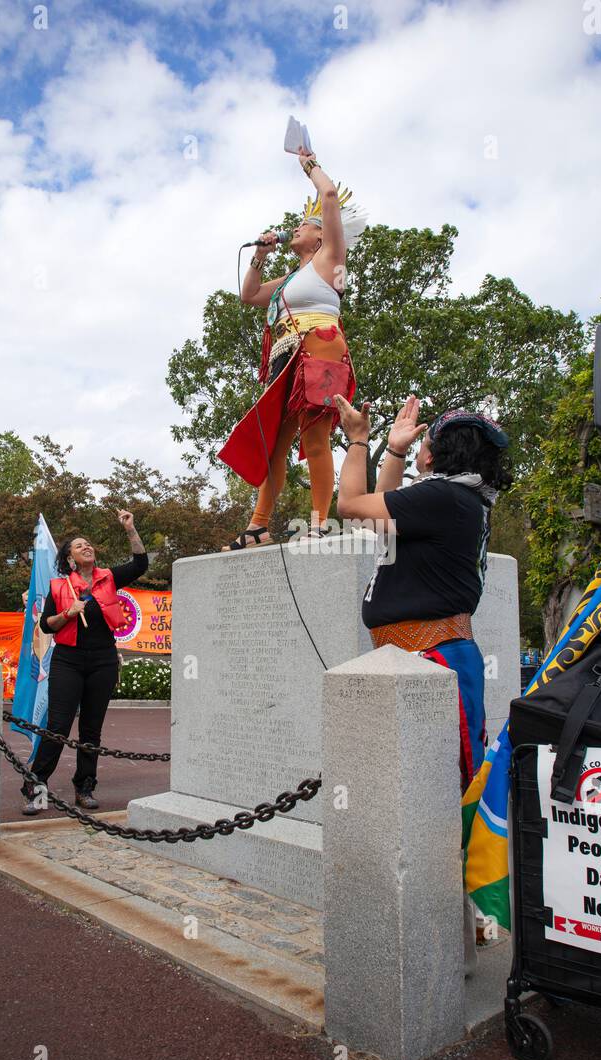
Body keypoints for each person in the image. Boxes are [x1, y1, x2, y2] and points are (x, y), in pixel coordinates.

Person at [335, 393, 511, 975]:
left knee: (435, 803)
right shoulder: (452, 501)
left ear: (444, 451)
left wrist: (359, 439)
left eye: (427, 439)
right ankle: (438, 940)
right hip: (419, 657)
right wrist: (392, 449)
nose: (421, 445)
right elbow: (384, 522)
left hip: (430, 659)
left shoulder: (446, 497)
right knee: (421, 804)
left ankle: (443, 947)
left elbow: (352, 505)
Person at [217, 145, 367, 549]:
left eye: (305, 224)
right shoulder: (290, 279)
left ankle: (321, 520)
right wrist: (260, 257)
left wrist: (309, 166)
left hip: (320, 350)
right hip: (286, 357)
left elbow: (330, 197)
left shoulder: (331, 260)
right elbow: (249, 296)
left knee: (314, 438)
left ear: (322, 234)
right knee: (273, 444)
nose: (296, 228)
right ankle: (259, 524)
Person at [23, 509, 151, 814]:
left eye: (88, 544)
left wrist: (130, 529)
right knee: (57, 726)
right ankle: (36, 787)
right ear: (69, 558)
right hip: (68, 660)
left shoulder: (108, 577)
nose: (87, 547)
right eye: (79, 546)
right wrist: (68, 612)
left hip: (103, 661)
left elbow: (141, 564)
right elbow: (45, 626)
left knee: (92, 730)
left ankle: (85, 788)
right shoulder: (59, 587)